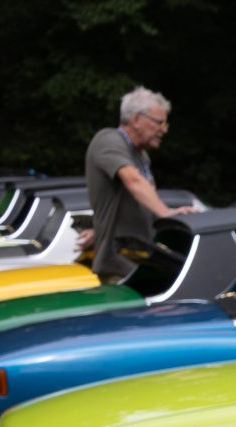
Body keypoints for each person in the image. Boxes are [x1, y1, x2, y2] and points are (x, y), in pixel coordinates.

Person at [85, 87, 198, 284]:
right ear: (136, 119)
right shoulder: (108, 140)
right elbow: (132, 180)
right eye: (159, 122)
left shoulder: (141, 155)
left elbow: (142, 204)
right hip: (117, 267)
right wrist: (165, 213)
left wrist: (174, 216)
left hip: (140, 264)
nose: (163, 130)